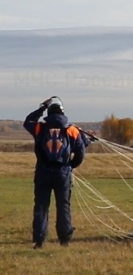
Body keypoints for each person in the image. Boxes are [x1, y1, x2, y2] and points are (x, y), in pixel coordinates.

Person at [23, 97, 86, 249]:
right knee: (63, 206)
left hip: (43, 173)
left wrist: (42, 107)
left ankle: (39, 241)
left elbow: (28, 122)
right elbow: (80, 152)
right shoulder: (72, 130)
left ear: (49, 113)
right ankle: (64, 239)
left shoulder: (40, 128)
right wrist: (71, 165)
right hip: (62, 174)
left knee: (41, 206)